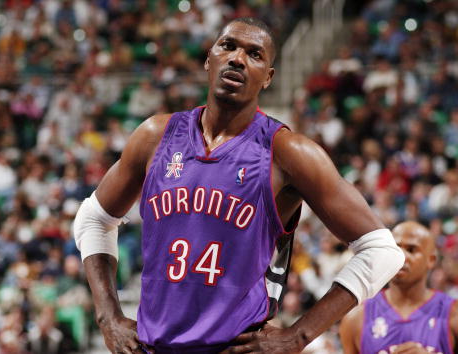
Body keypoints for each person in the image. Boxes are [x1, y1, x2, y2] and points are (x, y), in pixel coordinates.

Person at [74, 17, 404, 353]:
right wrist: (107, 316)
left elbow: (382, 251)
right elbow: (93, 218)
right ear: (208, 58)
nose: (237, 59)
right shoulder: (154, 137)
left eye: (254, 54)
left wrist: (299, 335)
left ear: (268, 78)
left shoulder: (288, 152)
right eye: (228, 46)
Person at [339, 221, 458, 354]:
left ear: (431, 260)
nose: (401, 256)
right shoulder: (355, 318)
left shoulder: (454, 314)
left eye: (411, 249)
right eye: (396, 248)